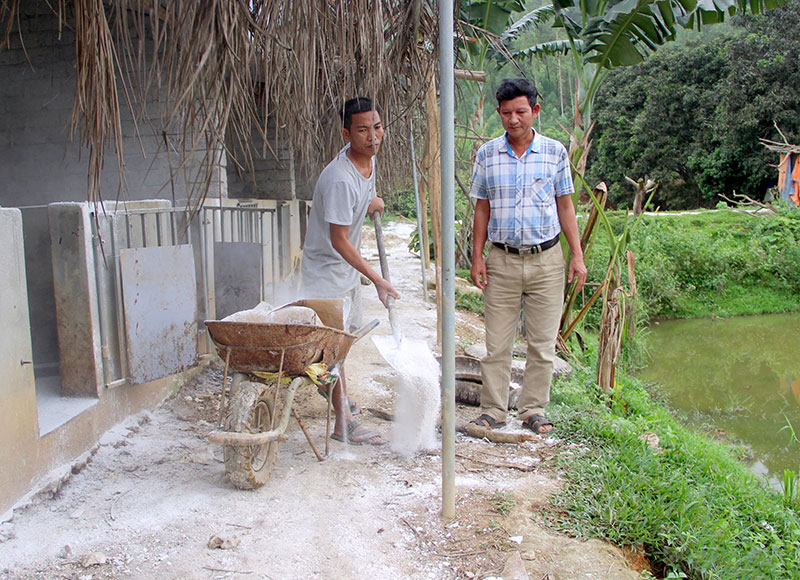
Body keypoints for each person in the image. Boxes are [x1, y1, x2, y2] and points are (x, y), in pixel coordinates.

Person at [469, 78, 587, 435]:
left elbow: (565, 207)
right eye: (506, 113)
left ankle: (533, 410)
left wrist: (576, 257)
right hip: (501, 260)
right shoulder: (487, 154)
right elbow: (481, 209)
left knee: (541, 343)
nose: (513, 119)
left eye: (521, 111)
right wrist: (477, 257)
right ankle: (493, 409)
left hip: (547, 261)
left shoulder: (554, 153)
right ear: (499, 114)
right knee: (497, 343)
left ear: (535, 111)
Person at [300, 96, 399, 445]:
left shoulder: (366, 163)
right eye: (362, 130)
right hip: (326, 274)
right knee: (331, 348)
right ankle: (344, 422)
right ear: (346, 133)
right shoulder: (340, 178)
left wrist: (370, 202)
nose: (373, 136)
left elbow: (358, 199)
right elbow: (339, 240)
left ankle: (336, 392)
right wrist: (377, 279)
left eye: (377, 127)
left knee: (339, 347)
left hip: (343, 273)